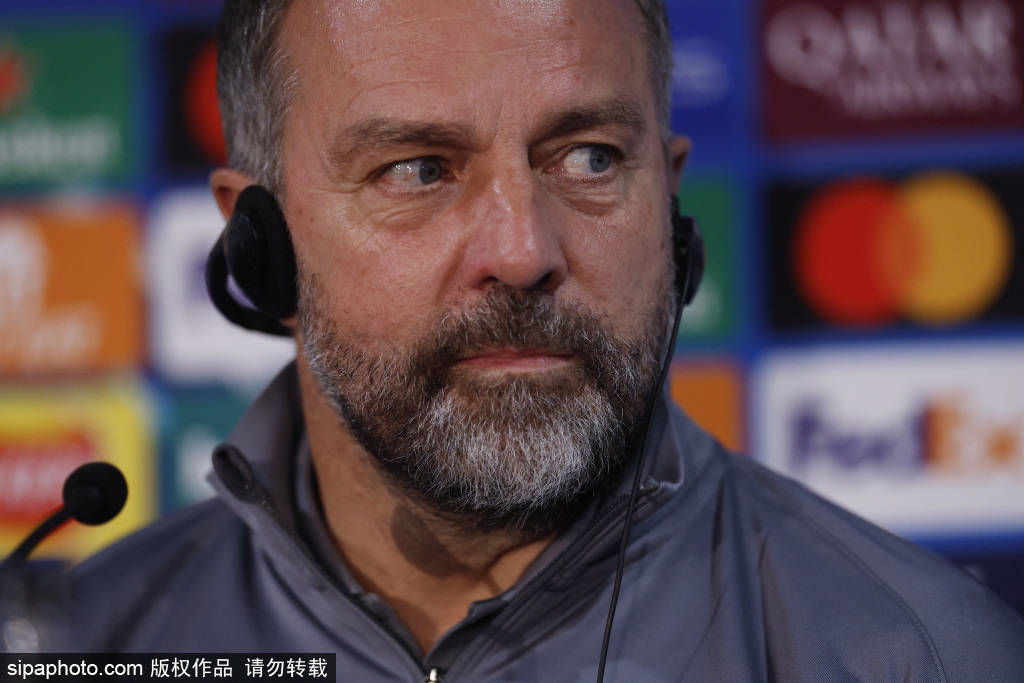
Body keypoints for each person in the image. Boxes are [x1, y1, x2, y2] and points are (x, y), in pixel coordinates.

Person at [71, 0, 1024, 680]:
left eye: (590, 158)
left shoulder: (916, 654)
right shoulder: (91, 645)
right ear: (262, 245)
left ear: (670, 211)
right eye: (418, 169)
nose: (523, 251)